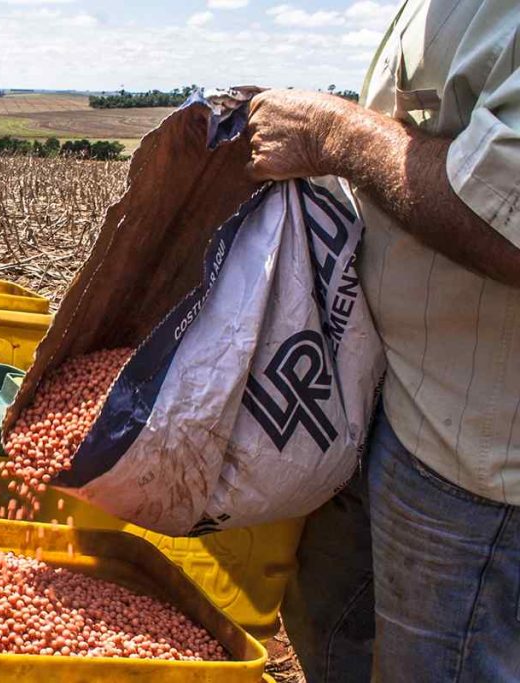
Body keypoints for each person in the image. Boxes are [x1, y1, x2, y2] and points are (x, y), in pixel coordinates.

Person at [245, 1, 520, 680]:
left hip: (471, 465)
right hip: (379, 398)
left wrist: (331, 132)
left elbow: (508, 217)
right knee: (330, 631)